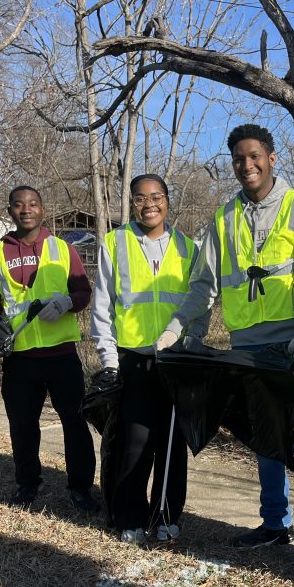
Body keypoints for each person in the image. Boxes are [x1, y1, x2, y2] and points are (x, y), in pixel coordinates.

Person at [154, 124, 294, 569]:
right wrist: (182, 327)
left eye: (254, 156)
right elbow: (204, 285)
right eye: (238, 158)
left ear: (271, 158)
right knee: (263, 437)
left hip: (292, 345)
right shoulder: (223, 217)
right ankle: (275, 523)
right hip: (247, 347)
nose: (247, 165)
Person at [91, 174, 203, 544]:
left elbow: (201, 301)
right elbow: (103, 307)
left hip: (175, 361)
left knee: (173, 443)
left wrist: (193, 343)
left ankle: (168, 516)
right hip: (133, 359)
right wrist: (109, 358)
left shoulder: (189, 247)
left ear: (168, 200)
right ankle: (130, 517)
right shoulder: (115, 242)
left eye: (157, 196)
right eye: (140, 198)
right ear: (131, 202)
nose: (149, 204)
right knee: (135, 442)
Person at [0, 185, 98, 512]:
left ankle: (81, 488)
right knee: (22, 426)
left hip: (62, 355)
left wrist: (68, 302)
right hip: (20, 358)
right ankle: (27, 485)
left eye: (33, 204)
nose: (26, 210)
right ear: (10, 211)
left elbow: (83, 292)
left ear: (42, 209)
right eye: (19, 205)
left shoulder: (62, 249)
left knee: (75, 423)